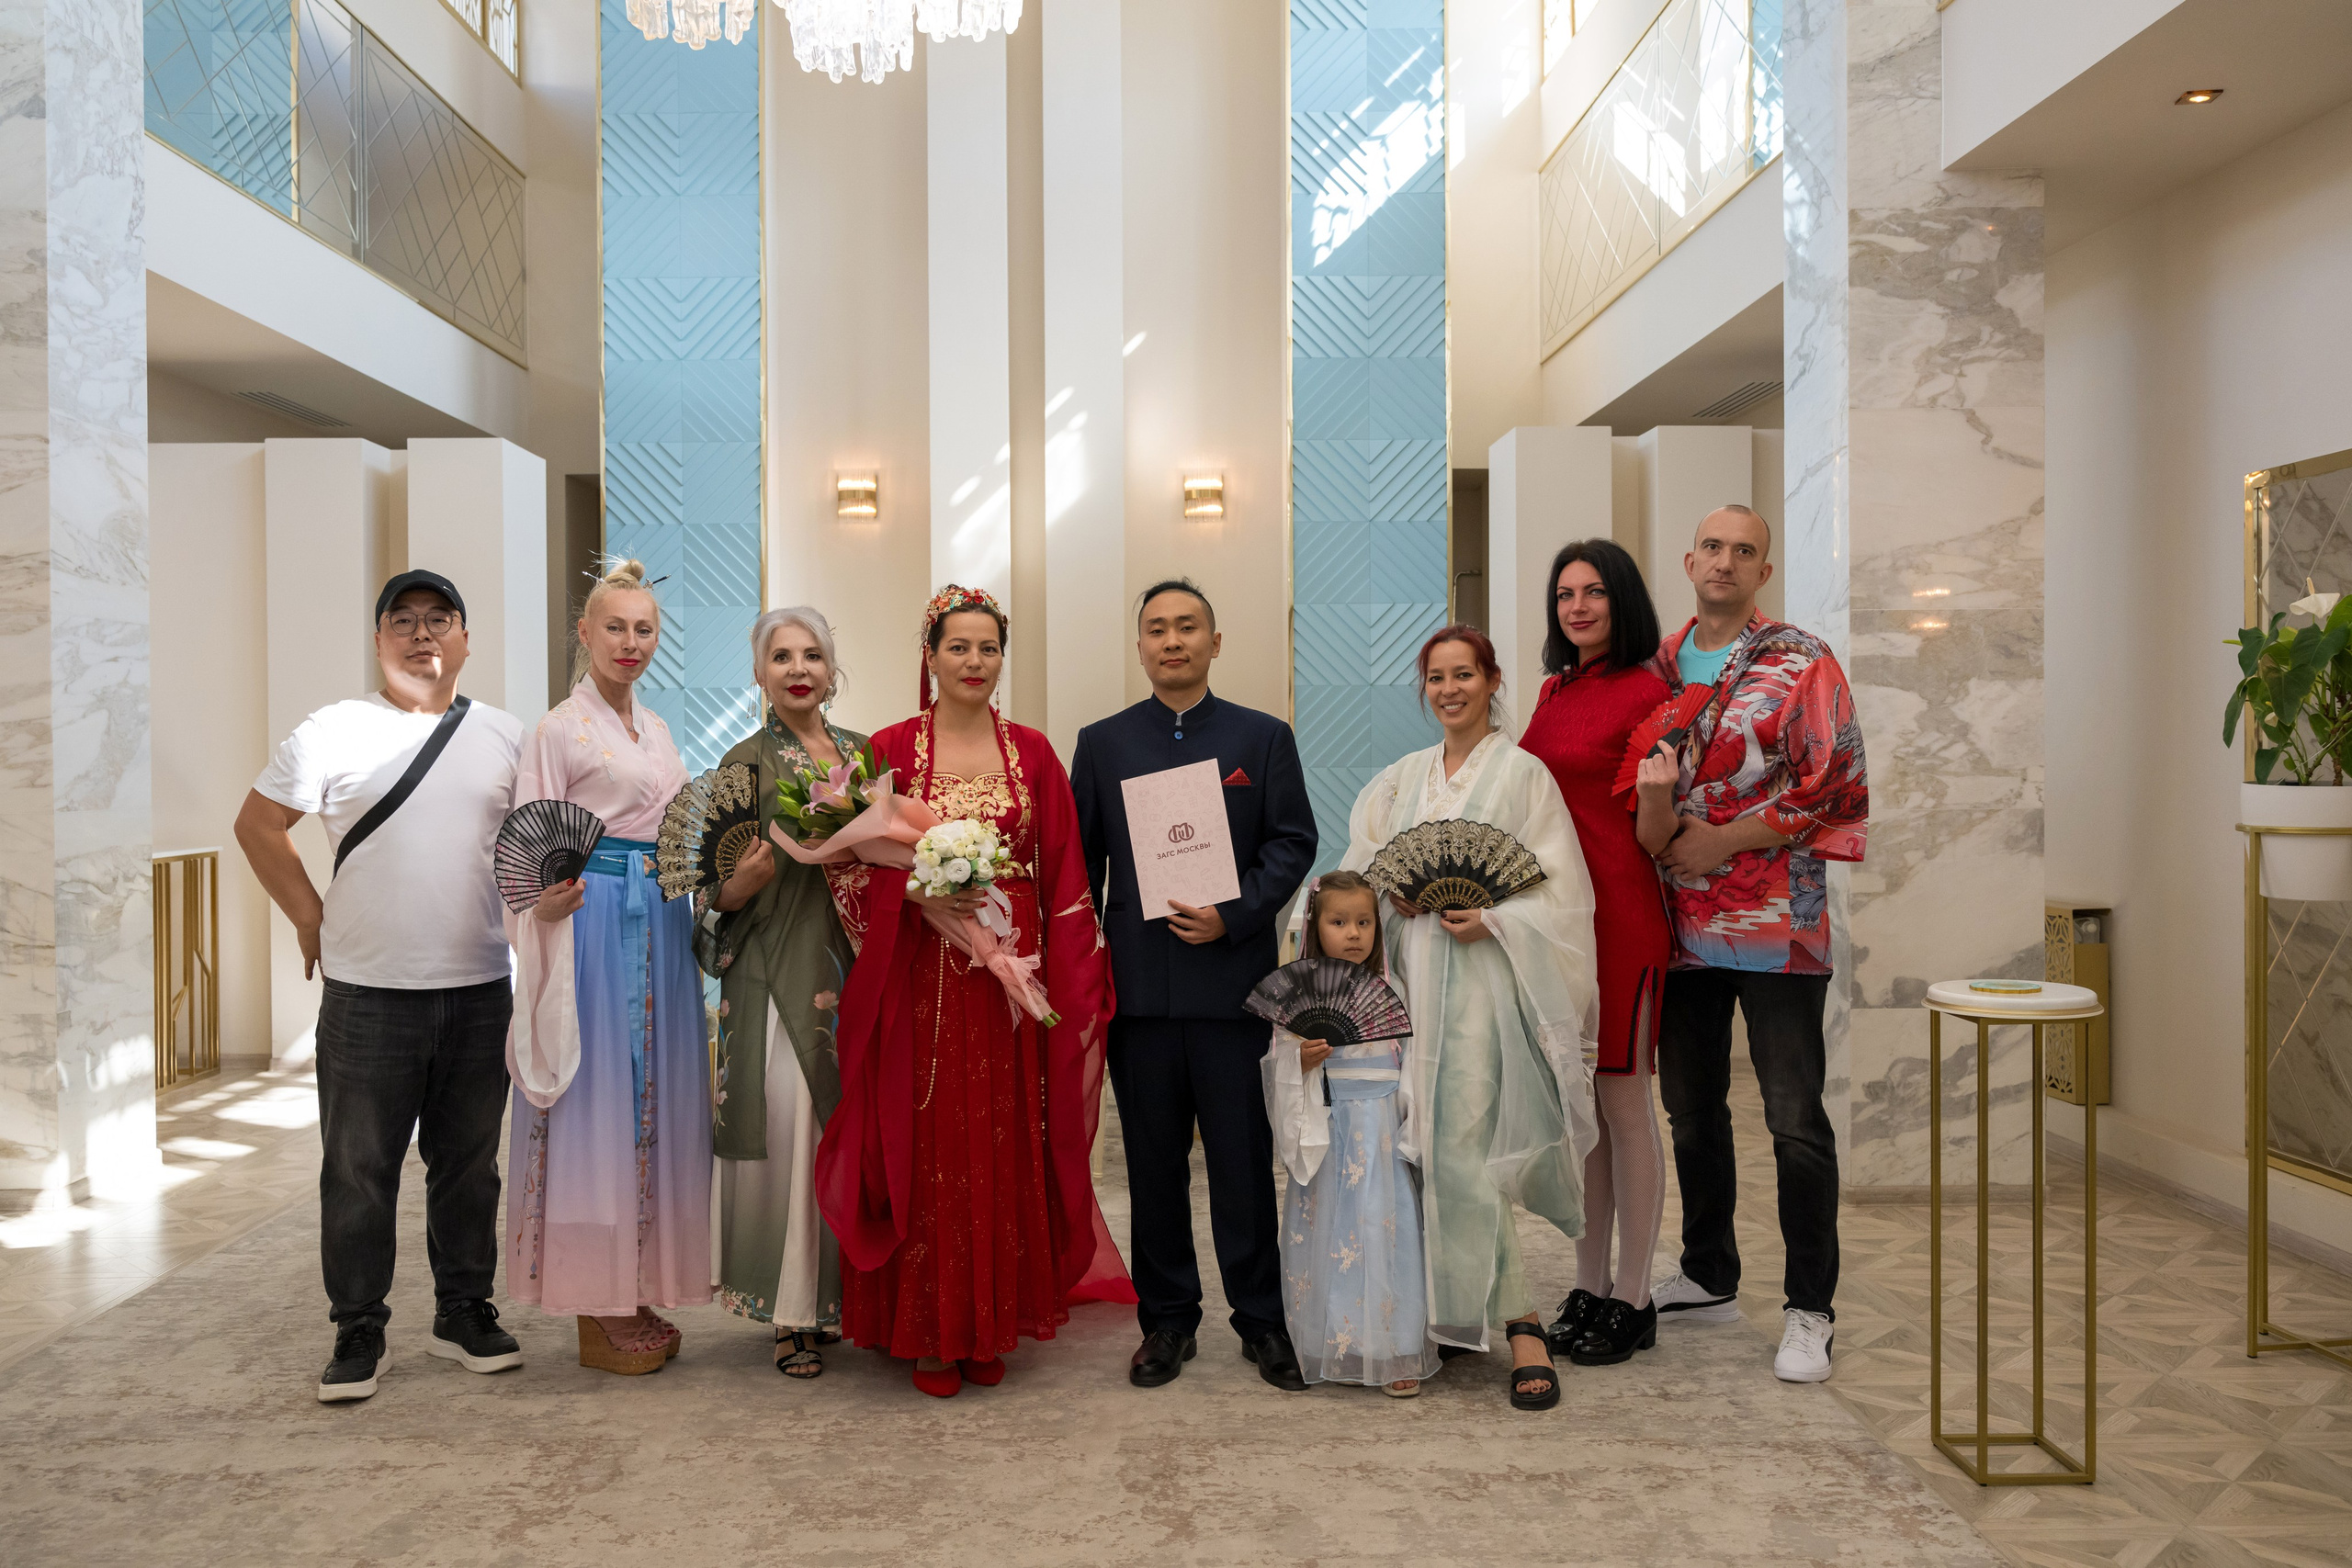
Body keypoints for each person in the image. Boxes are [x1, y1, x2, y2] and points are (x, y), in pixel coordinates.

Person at [816, 585, 1126, 1398]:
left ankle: (988, 1319)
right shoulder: (887, 748)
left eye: (988, 648)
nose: (974, 662)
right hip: (918, 979)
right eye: (959, 646)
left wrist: (1068, 979)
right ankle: (929, 1326)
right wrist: (913, 895)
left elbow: (1064, 875)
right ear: (930, 653)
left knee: (1001, 1135)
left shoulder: (1032, 751)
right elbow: (847, 868)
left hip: (1010, 983)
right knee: (926, 1140)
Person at [235, 569, 527, 1404]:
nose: (423, 634)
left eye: (441, 619)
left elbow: (527, 850)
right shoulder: (334, 729)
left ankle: (464, 1308)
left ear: (467, 638)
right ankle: (358, 1323)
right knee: (358, 1166)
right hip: (368, 992)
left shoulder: (505, 735)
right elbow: (258, 823)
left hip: (479, 984)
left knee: (469, 1163)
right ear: (378, 640)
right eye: (404, 621)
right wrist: (306, 914)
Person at [1340, 625, 1600, 1411]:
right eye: (1436, 677)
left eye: (1465, 674)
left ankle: (1519, 1319)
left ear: (1492, 681)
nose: (1449, 689)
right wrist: (1397, 895)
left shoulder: (1526, 778)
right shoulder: (1400, 781)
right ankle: (1439, 1316)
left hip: (1487, 983)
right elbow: (1365, 864)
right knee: (1413, 1143)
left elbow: (1562, 892)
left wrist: (1495, 917)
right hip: (1413, 978)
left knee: (1463, 1142)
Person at [1069, 579, 1319, 1393]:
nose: (1172, 641)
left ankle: (1262, 1318)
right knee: (1151, 1164)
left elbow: (1293, 842)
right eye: (1156, 629)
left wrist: (1236, 913)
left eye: (1187, 627)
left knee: (1245, 1162)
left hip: (1234, 988)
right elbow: (1081, 869)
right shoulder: (1102, 743)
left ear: (1216, 641)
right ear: (1139, 647)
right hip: (1139, 997)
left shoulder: (1262, 736)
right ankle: (1168, 1319)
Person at [1641, 504, 1869, 1383]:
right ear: (1688, 557)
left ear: (1763, 570)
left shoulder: (1800, 659)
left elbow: (1834, 776)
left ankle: (1810, 1309)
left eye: (1745, 550)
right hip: (1677, 924)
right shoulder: (1656, 666)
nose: (1726, 561)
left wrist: (1725, 841)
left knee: (1793, 1118)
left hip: (1777, 921)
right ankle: (1707, 1269)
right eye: (1713, 546)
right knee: (1692, 1110)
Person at [504, 559, 711, 1375]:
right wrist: (541, 908)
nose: (631, 642)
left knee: (653, 1092)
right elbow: (526, 842)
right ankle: (594, 1295)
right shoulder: (556, 730)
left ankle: (633, 1277)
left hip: (657, 911)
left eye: (645, 628)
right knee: (598, 1096)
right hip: (590, 918)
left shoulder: (655, 730)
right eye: (615, 626)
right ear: (584, 633)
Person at [697, 607, 869, 1378]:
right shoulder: (740, 763)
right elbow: (708, 898)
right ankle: (791, 1312)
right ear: (760, 673)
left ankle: (842, 1302)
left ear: (833, 670)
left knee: (846, 1141)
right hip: (771, 974)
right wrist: (741, 883)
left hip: (855, 972)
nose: (798, 669)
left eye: (812, 655)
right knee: (792, 1140)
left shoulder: (867, 758)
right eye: (781, 656)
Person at [1517, 540, 1676, 1369]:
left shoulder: (1650, 692)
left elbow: (1657, 822)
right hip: (1560, 921)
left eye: (1594, 593)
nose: (1576, 607)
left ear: (1622, 602)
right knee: (1581, 1112)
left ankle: (1637, 1294)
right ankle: (1589, 1282)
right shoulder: (1554, 690)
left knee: (1623, 1106)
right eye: (1564, 594)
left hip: (1621, 917)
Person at [1261, 872, 1437, 1398]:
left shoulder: (1394, 989)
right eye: (1339, 922)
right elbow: (1277, 1065)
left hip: (1381, 1127)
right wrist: (1302, 1059)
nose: (1354, 933)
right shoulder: (1299, 992)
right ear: (1316, 926)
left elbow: (1414, 1061)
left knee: (1387, 1229)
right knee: (1330, 1229)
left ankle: (1394, 1346)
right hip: (1331, 1127)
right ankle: (1330, 1340)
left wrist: (1414, 1120)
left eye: (1364, 922)